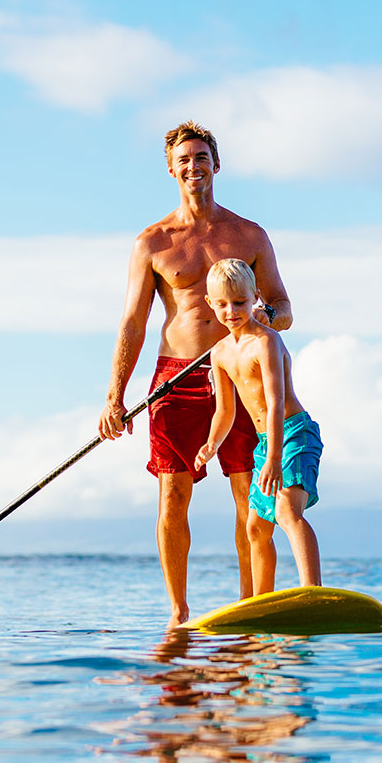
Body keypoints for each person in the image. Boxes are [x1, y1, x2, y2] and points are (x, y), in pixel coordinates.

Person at [98, 121, 292, 628]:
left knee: (250, 490)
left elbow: (283, 306)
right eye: (184, 160)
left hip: (239, 370)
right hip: (175, 377)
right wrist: (114, 396)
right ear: (171, 170)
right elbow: (133, 322)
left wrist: (260, 321)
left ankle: (252, 604)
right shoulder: (153, 242)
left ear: (216, 164)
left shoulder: (249, 235)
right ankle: (179, 613)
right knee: (173, 493)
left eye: (201, 157)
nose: (193, 166)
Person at [195, 258, 322, 596]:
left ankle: (312, 591)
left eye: (239, 302)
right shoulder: (220, 353)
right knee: (255, 528)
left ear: (256, 297)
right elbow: (225, 410)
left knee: (285, 510)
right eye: (222, 304)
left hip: (293, 434)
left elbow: (276, 402)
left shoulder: (266, 342)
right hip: (266, 443)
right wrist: (211, 444)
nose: (231, 310)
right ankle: (261, 601)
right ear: (210, 303)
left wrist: (273, 458)